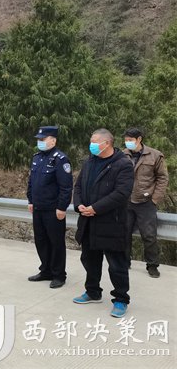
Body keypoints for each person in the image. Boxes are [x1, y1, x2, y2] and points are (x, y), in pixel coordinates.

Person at [72, 129, 134, 318]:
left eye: (94, 142)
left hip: (111, 223)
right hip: (88, 221)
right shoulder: (89, 161)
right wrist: (79, 204)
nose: (91, 145)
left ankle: (121, 299)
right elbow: (78, 186)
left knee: (117, 264)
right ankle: (92, 291)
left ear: (107, 143)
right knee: (89, 259)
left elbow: (121, 193)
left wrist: (96, 208)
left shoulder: (123, 164)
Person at [26, 126, 73, 289]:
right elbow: (31, 181)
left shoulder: (60, 159)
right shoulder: (37, 157)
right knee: (41, 241)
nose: (40, 142)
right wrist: (30, 200)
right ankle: (46, 270)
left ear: (53, 140)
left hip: (53, 210)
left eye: (43, 139)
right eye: (39, 139)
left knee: (56, 242)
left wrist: (62, 207)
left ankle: (59, 275)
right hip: (38, 207)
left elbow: (66, 187)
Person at [123, 128, 169, 278]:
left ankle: (152, 265)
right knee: (124, 233)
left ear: (139, 139)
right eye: (126, 140)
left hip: (146, 202)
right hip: (126, 201)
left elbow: (162, 178)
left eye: (130, 140)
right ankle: (124, 261)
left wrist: (155, 199)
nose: (127, 142)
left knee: (149, 236)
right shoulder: (122, 155)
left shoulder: (155, 155)